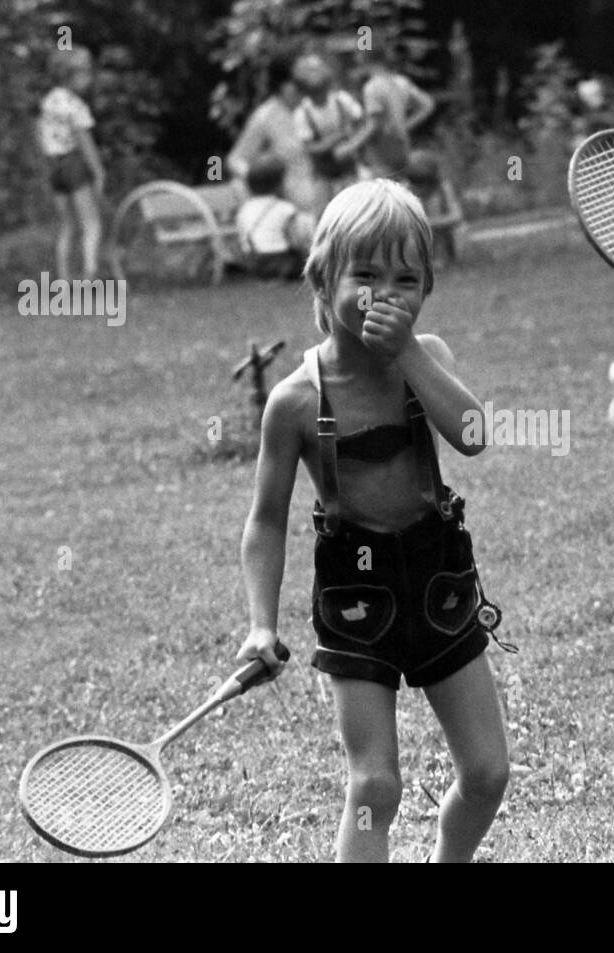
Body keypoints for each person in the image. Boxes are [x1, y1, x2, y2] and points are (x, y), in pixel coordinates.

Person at [236, 179, 509, 862]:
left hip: (438, 585)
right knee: (375, 785)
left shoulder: (428, 360)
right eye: (365, 274)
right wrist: (261, 623)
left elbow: (474, 433)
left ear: (426, 292)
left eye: (406, 279)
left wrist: (409, 351)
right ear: (322, 282)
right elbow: (266, 521)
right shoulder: (295, 401)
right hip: (356, 601)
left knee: (487, 771)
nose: (386, 294)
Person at [38, 46, 105, 280]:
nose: (90, 78)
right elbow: (85, 142)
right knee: (92, 223)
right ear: (72, 74)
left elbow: (43, 136)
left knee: (67, 225)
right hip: (74, 164)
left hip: (55, 167)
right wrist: (98, 172)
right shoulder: (75, 106)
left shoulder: (49, 102)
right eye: (86, 72)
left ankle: (64, 279)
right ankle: (90, 274)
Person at [227, 51, 311, 211]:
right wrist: (261, 180)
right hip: (289, 206)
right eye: (296, 82)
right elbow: (235, 160)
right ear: (281, 84)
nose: (303, 87)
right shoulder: (266, 116)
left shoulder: (315, 106)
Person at [342, 49, 435, 180]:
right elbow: (427, 104)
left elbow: (374, 125)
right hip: (402, 147)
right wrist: (406, 125)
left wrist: (349, 146)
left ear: (365, 59)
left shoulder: (372, 87)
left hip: (382, 151)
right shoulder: (401, 81)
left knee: (381, 192)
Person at [293, 53, 363, 216]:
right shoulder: (302, 113)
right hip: (323, 172)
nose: (320, 96)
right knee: (322, 213)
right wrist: (336, 138)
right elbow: (311, 148)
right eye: (314, 92)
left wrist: (352, 141)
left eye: (322, 90)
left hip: (348, 167)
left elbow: (361, 121)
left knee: (354, 210)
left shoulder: (342, 100)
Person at [234, 156, 312, 280]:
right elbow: (297, 239)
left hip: (254, 262)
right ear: (278, 184)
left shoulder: (245, 208)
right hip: (281, 261)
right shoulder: (284, 207)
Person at [403, 149, 464, 263]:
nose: (421, 190)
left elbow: (457, 216)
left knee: (436, 207)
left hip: (441, 234)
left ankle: (444, 256)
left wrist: (430, 223)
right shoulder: (404, 192)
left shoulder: (443, 190)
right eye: (417, 183)